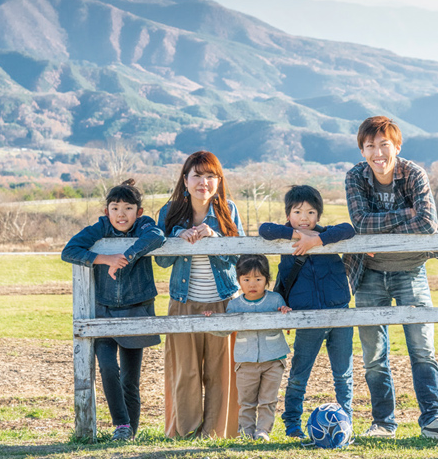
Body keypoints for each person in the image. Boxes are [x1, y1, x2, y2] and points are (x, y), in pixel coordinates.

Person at [344, 115, 438, 441]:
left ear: (397, 146)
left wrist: (381, 222)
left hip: (412, 271)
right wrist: (404, 214)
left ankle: (433, 420)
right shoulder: (355, 177)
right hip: (369, 273)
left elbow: (427, 225)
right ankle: (382, 424)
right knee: (373, 356)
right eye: (370, 146)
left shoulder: (413, 174)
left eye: (384, 144)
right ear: (362, 150)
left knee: (422, 349)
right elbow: (360, 223)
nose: (377, 153)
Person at [61, 179, 164, 441]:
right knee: (107, 366)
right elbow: (69, 250)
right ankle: (121, 425)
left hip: (136, 309)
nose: (121, 214)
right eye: (115, 207)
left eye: (128, 208)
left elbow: (158, 236)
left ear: (138, 212)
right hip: (103, 309)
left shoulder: (144, 226)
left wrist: (126, 256)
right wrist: (105, 258)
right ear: (107, 210)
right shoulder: (101, 227)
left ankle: (130, 431)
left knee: (131, 378)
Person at [156, 150, 244, 438]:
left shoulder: (228, 210)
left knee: (221, 373)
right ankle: (183, 431)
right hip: (183, 302)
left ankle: (217, 433)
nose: (203, 182)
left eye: (210, 176)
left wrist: (215, 240)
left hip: (223, 302)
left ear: (218, 181)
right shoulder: (168, 213)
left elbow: (239, 259)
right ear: (185, 180)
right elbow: (161, 260)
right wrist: (176, 241)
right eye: (197, 175)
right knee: (185, 372)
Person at [259, 184, 355, 439]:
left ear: (319, 216)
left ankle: (347, 425)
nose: (304, 218)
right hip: (307, 317)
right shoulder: (284, 237)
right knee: (300, 374)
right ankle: (292, 425)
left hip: (339, 314)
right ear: (288, 215)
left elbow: (349, 228)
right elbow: (263, 229)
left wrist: (317, 240)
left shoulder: (328, 235)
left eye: (311, 213)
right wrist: (295, 236)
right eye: (298, 211)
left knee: (343, 375)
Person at [205, 254, 292, 441]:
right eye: (246, 280)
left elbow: (288, 326)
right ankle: (246, 432)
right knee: (246, 401)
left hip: (274, 359)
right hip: (246, 361)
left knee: (268, 399)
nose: (252, 284)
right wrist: (213, 321)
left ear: (267, 280)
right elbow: (225, 331)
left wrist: (285, 314)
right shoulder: (235, 305)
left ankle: (263, 431)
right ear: (239, 281)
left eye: (258, 279)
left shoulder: (276, 300)